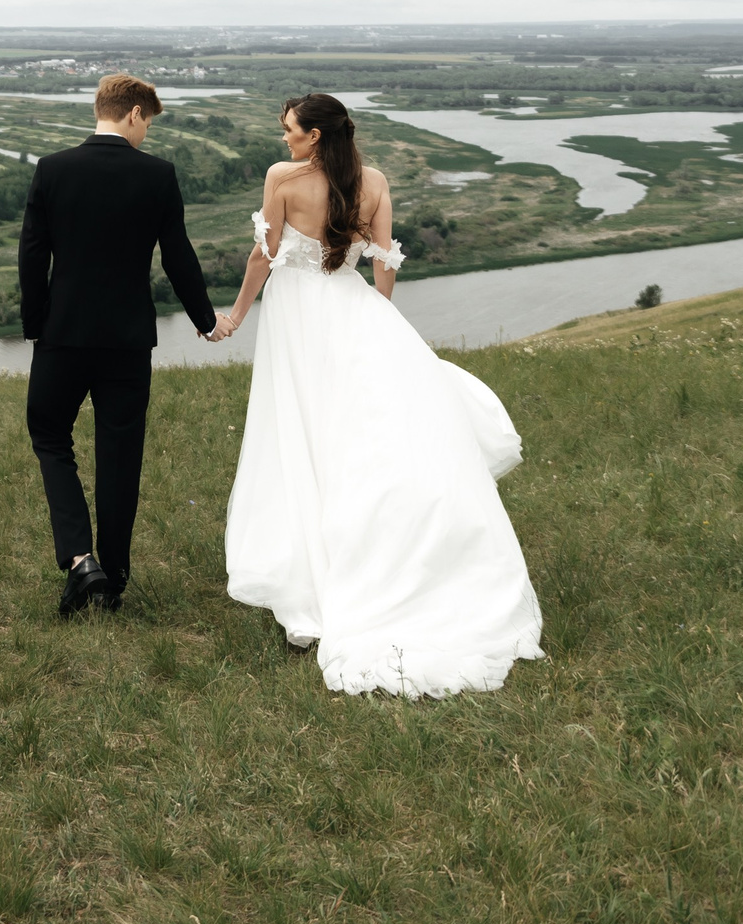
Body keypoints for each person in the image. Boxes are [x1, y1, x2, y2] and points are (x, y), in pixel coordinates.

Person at [210, 93, 543, 696]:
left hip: (298, 316)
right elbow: (383, 263)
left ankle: (315, 584)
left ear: (315, 136)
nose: (284, 139)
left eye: (290, 130)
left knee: (305, 434)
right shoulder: (375, 181)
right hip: (352, 307)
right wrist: (381, 319)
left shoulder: (282, 178)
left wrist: (235, 315)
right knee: (363, 433)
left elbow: (264, 256)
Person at [17, 73, 217, 617]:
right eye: (147, 122)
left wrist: (35, 324)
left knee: (50, 436)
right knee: (120, 452)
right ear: (133, 114)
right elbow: (178, 254)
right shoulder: (157, 175)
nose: (146, 133)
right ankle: (115, 576)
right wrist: (204, 320)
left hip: (63, 334)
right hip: (128, 340)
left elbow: (32, 254)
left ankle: (81, 561)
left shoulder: (53, 169)